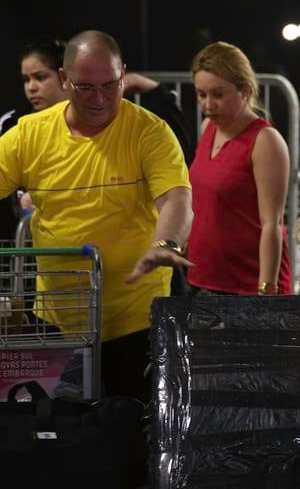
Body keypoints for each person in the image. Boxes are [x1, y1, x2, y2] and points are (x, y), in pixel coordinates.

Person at [0, 30, 193, 402]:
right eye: (85, 87)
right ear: (64, 79)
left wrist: (167, 242)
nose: (101, 98)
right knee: (60, 437)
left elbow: (176, 197)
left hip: (138, 320)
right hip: (58, 321)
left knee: (137, 434)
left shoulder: (149, 131)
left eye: (110, 85)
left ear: (124, 76)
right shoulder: (28, 134)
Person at [186, 41, 292, 296]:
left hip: (248, 285)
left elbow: (272, 224)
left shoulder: (265, 140)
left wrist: (266, 290)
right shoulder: (207, 128)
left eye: (218, 94)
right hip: (205, 279)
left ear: (244, 90)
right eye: (201, 94)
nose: (208, 104)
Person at [1, 38, 68, 240]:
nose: (31, 87)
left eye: (40, 77)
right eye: (26, 79)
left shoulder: (92, 122)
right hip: (25, 242)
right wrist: (19, 198)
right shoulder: (12, 124)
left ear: (65, 77)